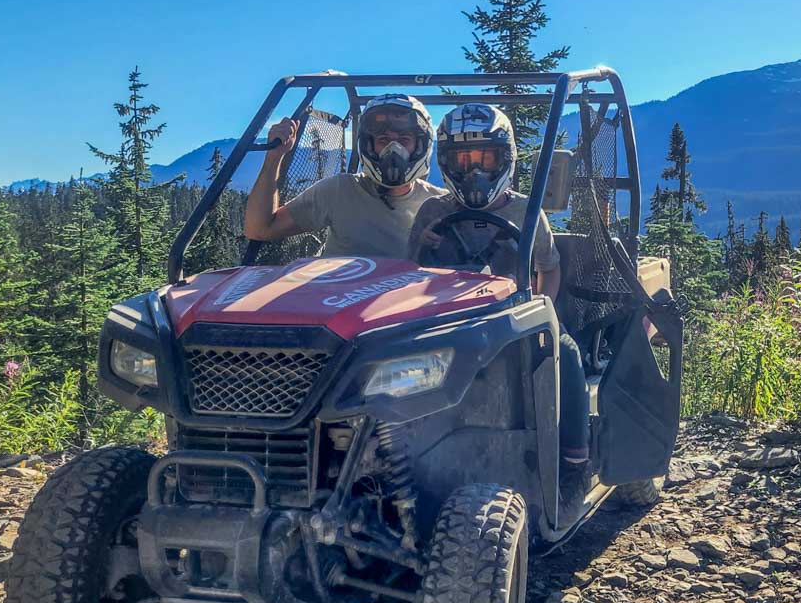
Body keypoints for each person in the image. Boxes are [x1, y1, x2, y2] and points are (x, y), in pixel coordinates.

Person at [409, 103, 589, 464]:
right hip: (446, 321)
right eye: (463, 161)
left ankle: (574, 460)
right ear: (446, 163)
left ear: (505, 159)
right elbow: (409, 274)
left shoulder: (526, 211)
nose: (474, 172)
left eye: (485, 160)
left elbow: (549, 267)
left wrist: (540, 313)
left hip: (514, 318)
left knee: (566, 354)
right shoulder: (433, 211)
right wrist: (422, 246)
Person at [244, 94, 444, 259]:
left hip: (407, 296)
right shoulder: (340, 191)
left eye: (404, 140)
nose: (394, 150)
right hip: (337, 294)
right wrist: (274, 157)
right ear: (368, 145)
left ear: (420, 146)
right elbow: (259, 229)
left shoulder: (440, 205)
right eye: (383, 140)